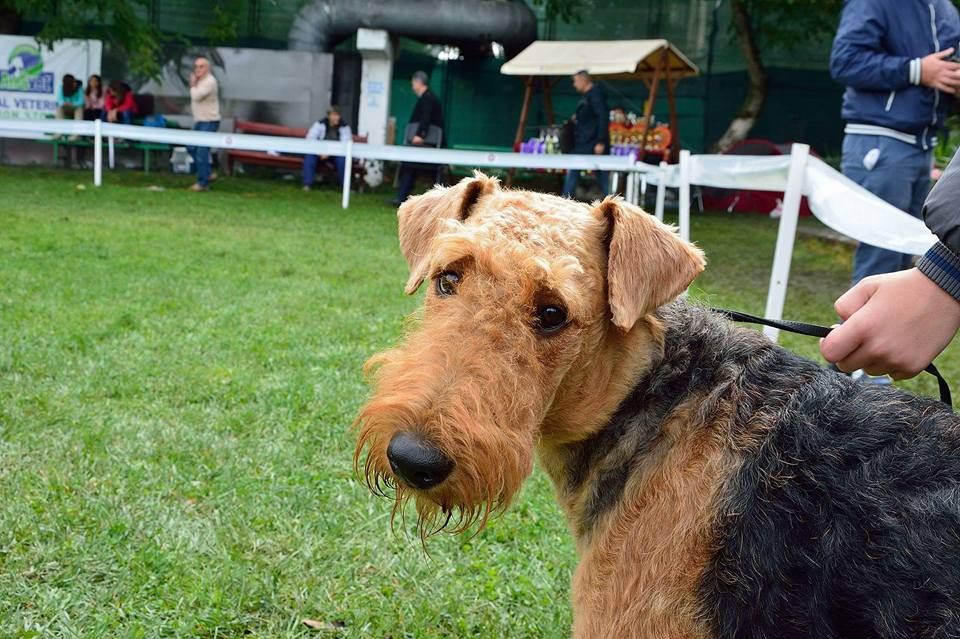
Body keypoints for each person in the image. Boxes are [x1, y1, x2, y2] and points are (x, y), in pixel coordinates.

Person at [830, 0, 960, 287]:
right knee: (879, 260)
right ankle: (854, 333)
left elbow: (945, 72)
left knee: (906, 264)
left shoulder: (946, 9)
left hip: (923, 146)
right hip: (879, 142)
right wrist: (916, 70)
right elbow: (844, 62)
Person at [821, 147, 960, 379]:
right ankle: (855, 375)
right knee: (880, 253)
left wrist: (945, 278)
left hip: (919, 144)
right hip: (884, 144)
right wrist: (947, 273)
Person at [391, 71, 444, 206]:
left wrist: (421, 135)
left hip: (426, 145)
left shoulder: (427, 98)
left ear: (418, 83)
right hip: (428, 145)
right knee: (411, 166)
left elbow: (425, 117)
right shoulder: (429, 97)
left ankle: (403, 197)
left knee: (409, 165)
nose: (412, 86)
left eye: (413, 83)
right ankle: (404, 197)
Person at [562, 70, 610, 199]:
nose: (574, 84)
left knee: (599, 174)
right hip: (585, 143)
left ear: (584, 80)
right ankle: (566, 199)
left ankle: (565, 199)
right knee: (578, 171)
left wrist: (600, 141)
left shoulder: (596, 95)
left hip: (592, 143)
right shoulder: (589, 96)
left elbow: (602, 118)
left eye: (575, 81)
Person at [187, 56, 221, 192]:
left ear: (208, 68)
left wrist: (192, 85)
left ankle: (202, 183)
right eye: (196, 66)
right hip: (200, 121)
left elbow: (196, 96)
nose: (198, 69)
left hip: (209, 121)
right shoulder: (199, 81)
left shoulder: (210, 81)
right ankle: (207, 174)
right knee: (191, 147)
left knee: (201, 151)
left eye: (201, 66)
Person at [303, 105, 352, 190]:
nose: (337, 117)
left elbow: (345, 145)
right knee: (310, 156)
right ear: (329, 116)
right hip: (320, 152)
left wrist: (329, 153)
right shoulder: (319, 124)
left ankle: (345, 187)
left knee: (342, 160)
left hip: (336, 154)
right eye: (334, 115)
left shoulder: (345, 127)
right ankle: (307, 184)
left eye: (338, 115)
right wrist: (320, 152)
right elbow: (310, 139)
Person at [54, 74, 83, 140]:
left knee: (79, 108)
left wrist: (72, 104)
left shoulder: (79, 88)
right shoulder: (62, 88)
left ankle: (76, 134)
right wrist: (64, 103)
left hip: (75, 109)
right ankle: (59, 133)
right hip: (66, 109)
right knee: (59, 108)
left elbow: (81, 101)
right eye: (73, 82)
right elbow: (59, 100)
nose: (75, 83)